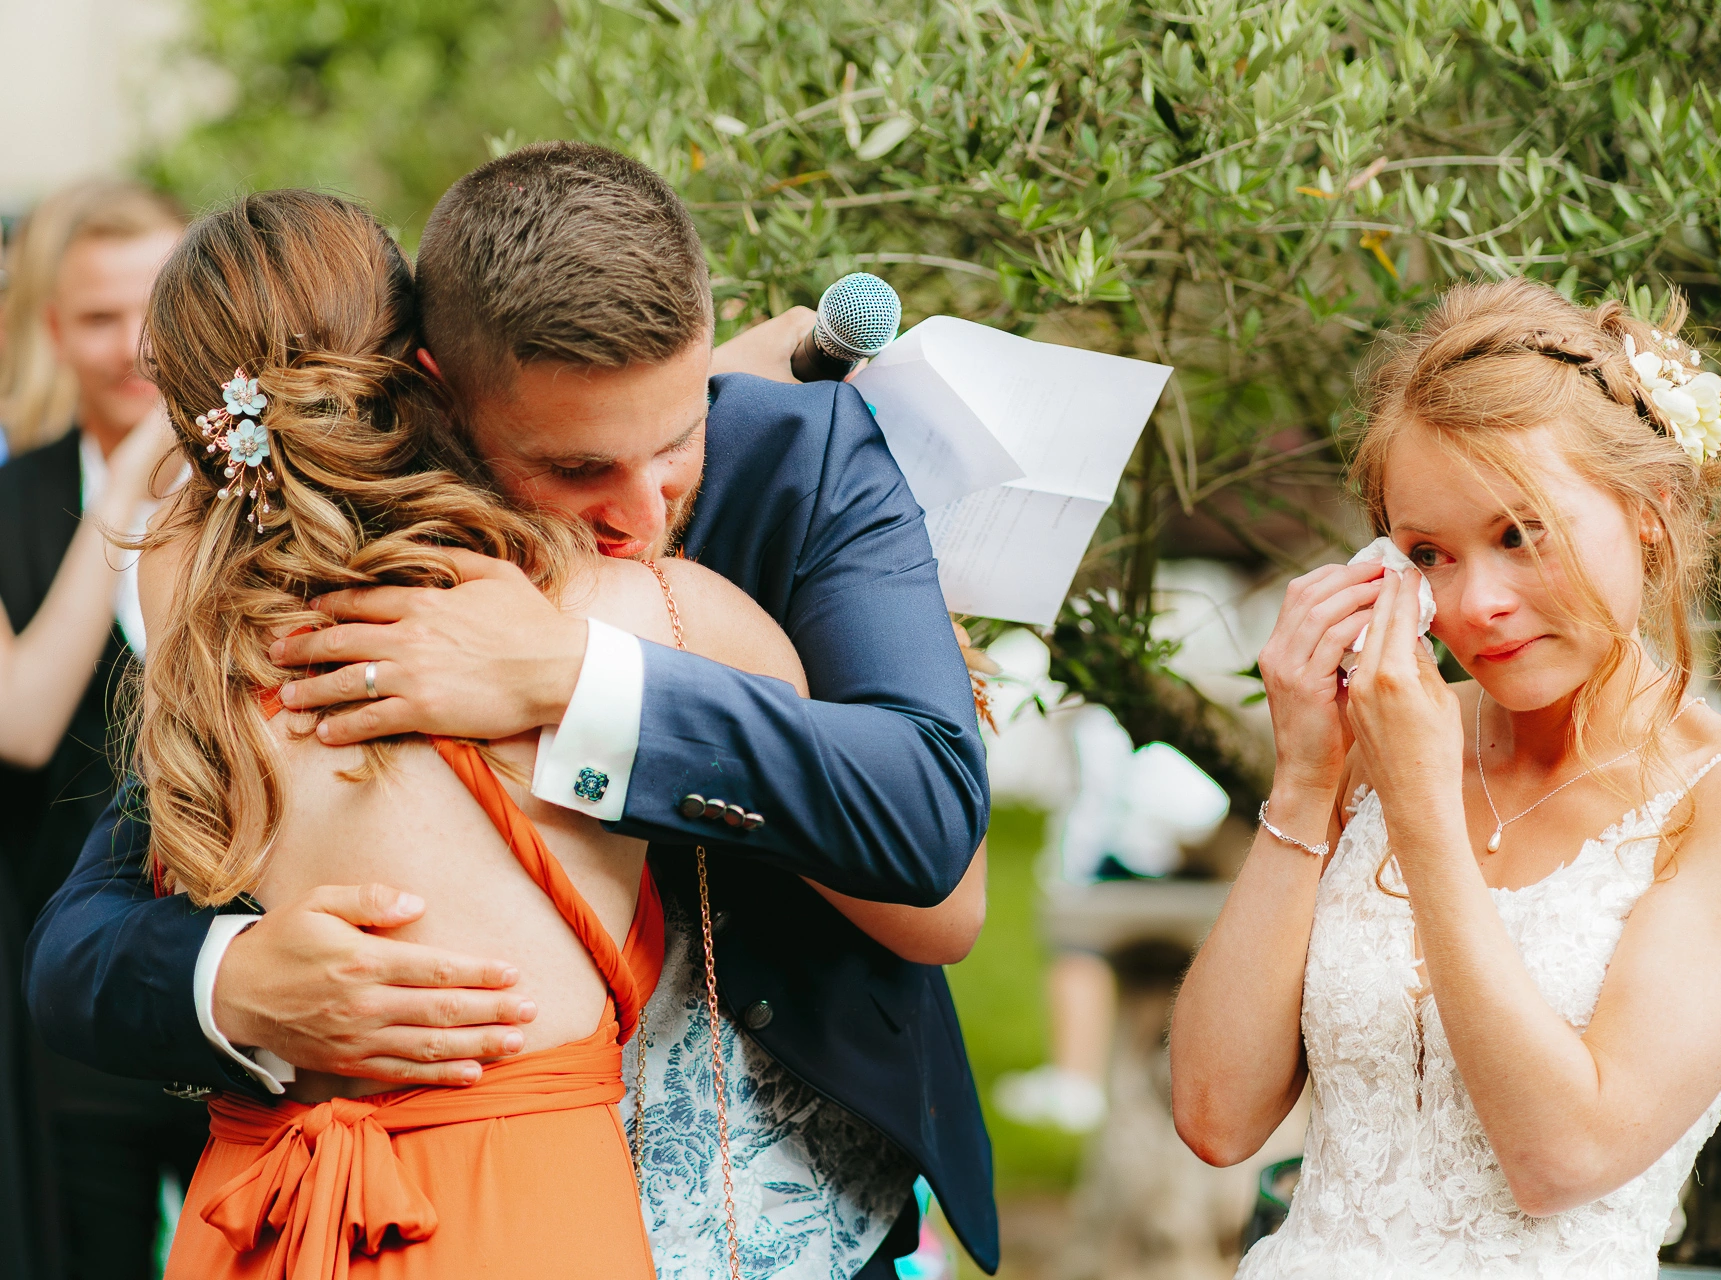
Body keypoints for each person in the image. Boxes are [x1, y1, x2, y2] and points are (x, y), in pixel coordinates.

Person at [28, 143, 998, 1279]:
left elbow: (936, 851)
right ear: (440, 391)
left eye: (681, 437)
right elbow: (82, 935)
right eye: (577, 465)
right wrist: (231, 975)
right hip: (419, 1204)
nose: (642, 507)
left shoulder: (800, 462)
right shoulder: (312, 598)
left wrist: (575, 678)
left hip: (779, 1216)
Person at [1169, 278, 1721, 1278]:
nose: (1476, 602)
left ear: (1651, 511)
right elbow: (1217, 1117)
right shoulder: (1379, 739)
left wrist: (1421, 808)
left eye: (1521, 534)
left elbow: (1561, 1155)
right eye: (1428, 552)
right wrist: (1309, 777)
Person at [0, 178, 191, 1280]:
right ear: (48, 331)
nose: (134, 349)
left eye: (157, 309)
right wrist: (126, 476)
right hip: (65, 1009)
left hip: (249, 998)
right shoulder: (12, 502)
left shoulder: (276, 485)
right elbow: (22, 726)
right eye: (96, 318)